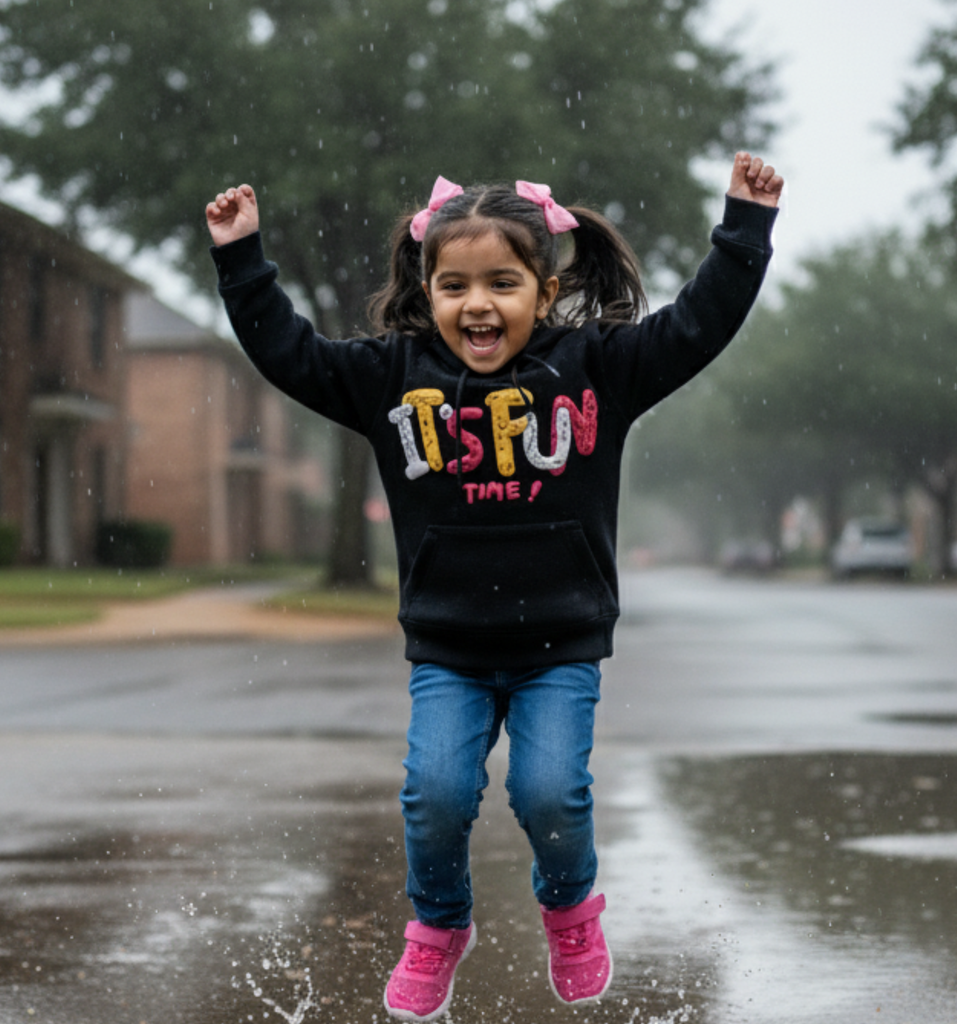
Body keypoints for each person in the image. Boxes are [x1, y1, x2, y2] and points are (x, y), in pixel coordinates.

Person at [206, 152, 783, 1023]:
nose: (477, 303)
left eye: (502, 283)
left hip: (560, 645)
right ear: (428, 292)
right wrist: (241, 258)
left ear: (544, 294)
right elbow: (289, 353)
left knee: (549, 794)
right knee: (435, 795)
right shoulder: (390, 375)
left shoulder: (597, 367)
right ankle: (439, 928)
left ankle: (570, 914)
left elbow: (697, 326)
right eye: (454, 285)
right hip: (450, 648)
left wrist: (744, 229)